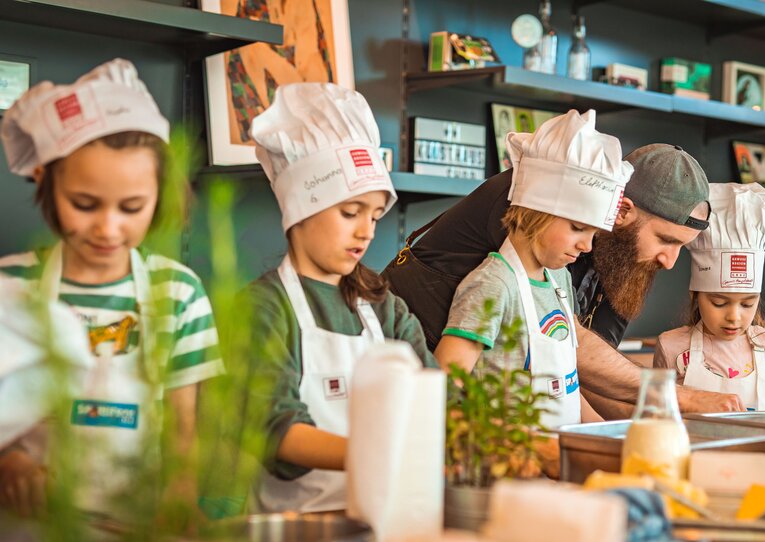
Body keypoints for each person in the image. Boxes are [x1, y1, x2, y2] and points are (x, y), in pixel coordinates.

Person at [0, 59, 224, 518]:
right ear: (46, 181)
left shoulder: (178, 293)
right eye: (84, 204)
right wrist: (9, 462)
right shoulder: (9, 287)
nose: (108, 227)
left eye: (132, 207)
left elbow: (183, 434)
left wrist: (178, 506)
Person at [383, 144, 745, 415]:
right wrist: (677, 396)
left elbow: (579, 374)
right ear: (621, 210)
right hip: (411, 383)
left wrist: (618, 441)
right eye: (665, 240)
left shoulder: (611, 257)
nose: (669, 262)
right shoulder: (537, 213)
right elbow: (579, 351)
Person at [244, 82, 437, 513]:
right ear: (300, 209)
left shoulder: (385, 307)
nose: (367, 231)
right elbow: (275, 428)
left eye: (373, 215)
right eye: (350, 212)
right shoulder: (264, 309)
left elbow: (437, 398)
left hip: (390, 515)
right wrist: (380, 458)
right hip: (301, 522)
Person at [435, 109, 630, 427]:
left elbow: (565, 383)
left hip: (557, 459)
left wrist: (604, 436)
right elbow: (444, 388)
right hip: (510, 461)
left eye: (594, 234)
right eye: (578, 227)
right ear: (535, 210)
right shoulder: (493, 286)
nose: (587, 246)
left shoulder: (559, 280)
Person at [653, 183, 765, 411]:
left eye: (748, 303)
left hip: (758, 448)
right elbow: (659, 418)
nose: (734, 317)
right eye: (719, 303)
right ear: (696, 295)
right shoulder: (672, 347)